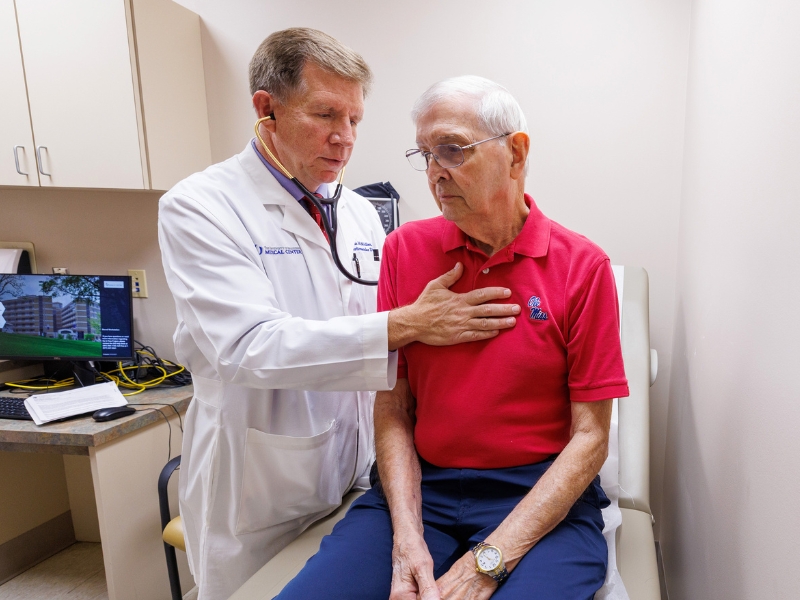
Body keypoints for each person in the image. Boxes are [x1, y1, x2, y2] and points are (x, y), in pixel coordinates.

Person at [158, 33, 522, 600]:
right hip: (259, 486)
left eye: (354, 118)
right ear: (266, 109)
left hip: (356, 476)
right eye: (325, 114)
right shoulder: (200, 207)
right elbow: (248, 346)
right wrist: (411, 323)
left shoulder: (355, 213)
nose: (345, 138)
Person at [276, 76, 630, 600]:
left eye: (452, 150)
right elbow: (393, 407)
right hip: (424, 489)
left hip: (540, 498)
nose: (435, 172)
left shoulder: (583, 267)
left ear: (516, 152)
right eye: (425, 155)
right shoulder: (403, 251)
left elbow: (591, 437)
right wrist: (407, 537)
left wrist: (486, 563)